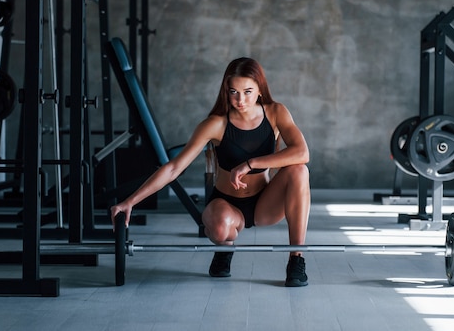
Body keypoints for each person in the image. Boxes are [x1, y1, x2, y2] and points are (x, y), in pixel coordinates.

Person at [110, 57, 311, 287]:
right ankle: (224, 249)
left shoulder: (276, 112)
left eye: (247, 91)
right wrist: (130, 202)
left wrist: (250, 163)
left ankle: (297, 258)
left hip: (264, 204)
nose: (240, 99)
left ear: (260, 90)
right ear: (226, 90)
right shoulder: (215, 124)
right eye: (233, 91)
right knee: (218, 226)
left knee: (299, 171)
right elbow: (174, 167)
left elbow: (302, 152)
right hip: (227, 204)